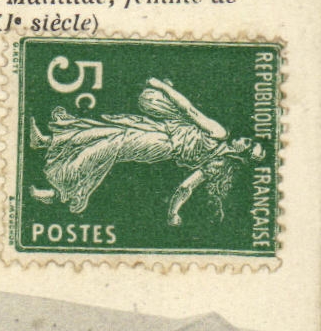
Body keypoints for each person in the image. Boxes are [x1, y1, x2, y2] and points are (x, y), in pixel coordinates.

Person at [29, 77, 264, 224]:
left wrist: (160, 86)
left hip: (162, 144)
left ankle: (58, 192)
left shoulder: (219, 137)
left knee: (110, 144)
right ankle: (46, 141)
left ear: (242, 155)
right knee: (106, 130)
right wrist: (173, 214)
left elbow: (189, 111)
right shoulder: (219, 158)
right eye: (252, 141)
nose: (247, 140)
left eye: (250, 146)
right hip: (161, 129)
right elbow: (186, 187)